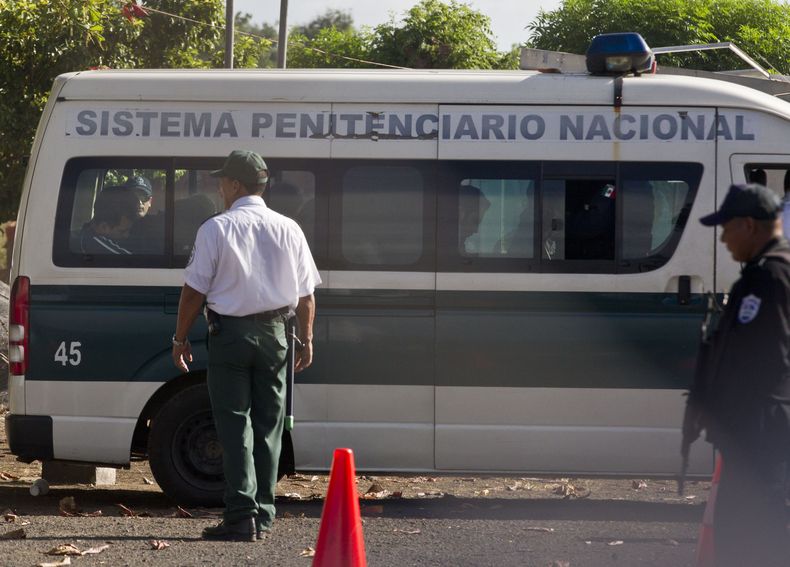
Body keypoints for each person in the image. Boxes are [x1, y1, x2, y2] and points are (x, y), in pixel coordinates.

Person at [171, 150, 320, 542]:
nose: (219, 187)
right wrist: (306, 339)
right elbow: (306, 296)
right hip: (277, 335)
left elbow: (193, 292)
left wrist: (180, 338)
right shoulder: (290, 228)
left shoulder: (216, 229)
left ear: (235, 184)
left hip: (231, 336)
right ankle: (264, 516)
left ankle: (241, 516)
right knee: (270, 426)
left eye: (222, 180)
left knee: (234, 424)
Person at [683, 183, 790, 567]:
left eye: (727, 228)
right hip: (756, 431)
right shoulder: (766, 274)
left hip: (759, 430)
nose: (723, 239)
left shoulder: (769, 279)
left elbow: (766, 359)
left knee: (752, 532)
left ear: (748, 225)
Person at [79, 188, 140, 255]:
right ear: (103, 227)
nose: (127, 235)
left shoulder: (83, 234)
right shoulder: (94, 245)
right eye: (122, 231)